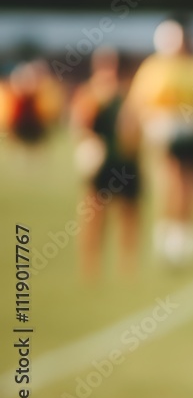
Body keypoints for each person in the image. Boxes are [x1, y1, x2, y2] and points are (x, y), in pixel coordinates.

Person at [129, 18, 193, 266]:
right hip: (166, 131)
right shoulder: (154, 67)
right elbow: (140, 102)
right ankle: (169, 234)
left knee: (191, 186)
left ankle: (184, 234)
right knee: (173, 182)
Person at [69, 48, 143, 281]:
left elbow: (136, 131)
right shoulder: (91, 94)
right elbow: (79, 126)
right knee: (94, 214)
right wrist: (89, 146)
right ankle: (90, 267)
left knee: (129, 215)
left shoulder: (129, 96)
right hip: (101, 165)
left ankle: (127, 267)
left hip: (125, 164)